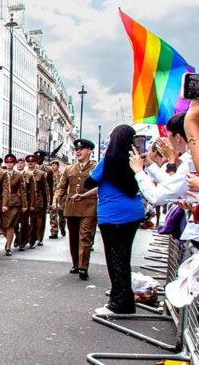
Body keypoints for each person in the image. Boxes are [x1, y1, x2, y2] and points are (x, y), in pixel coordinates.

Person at [84, 124, 145, 315]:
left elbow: (88, 182)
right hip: (133, 213)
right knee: (124, 258)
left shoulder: (108, 160)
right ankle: (123, 296)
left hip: (112, 215)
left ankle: (120, 303)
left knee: (115, 259)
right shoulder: (135, 160)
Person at [53, 139, 97, 280]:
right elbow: (61, 187)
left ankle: (83, 267)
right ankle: (76, 264)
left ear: (89, 151)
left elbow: (101, 186)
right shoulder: (69, 169)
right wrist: (56, 199)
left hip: (89, 207)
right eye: (76, 149)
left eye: (82, 149)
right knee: (73, 238)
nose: (78, 151)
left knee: (85, 237)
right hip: (72, 207)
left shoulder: (96, 168)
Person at [130, 113, 191, 204]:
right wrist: (150, 164)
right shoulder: (189, 160)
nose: (167, 141)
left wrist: (139, 171)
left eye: (169, 137)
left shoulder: (190, 163)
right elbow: (172, 184)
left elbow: (157, 197)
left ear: (177, 137)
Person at [1, 154, 27, 256]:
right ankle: (10, 239)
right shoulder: (2, 173)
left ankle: (8, 247)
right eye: (7, 162)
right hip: (3, 202)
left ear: (14, 164)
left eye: (11, 162)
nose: (9, 164)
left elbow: (23, 191)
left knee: (10, 225)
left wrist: (24, 205)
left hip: (14, 202)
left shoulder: (18, 175)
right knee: (2, 227)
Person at [25, 155, 48, 248]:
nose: (30, 163)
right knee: (31, 221)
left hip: (39, 199)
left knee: (40, 221)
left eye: (32, 162)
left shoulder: (41, 174)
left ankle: (39, 238)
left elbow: (44, 189)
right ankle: (30, 238)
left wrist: (47, 202)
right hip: (28, 199)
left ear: (35, 163)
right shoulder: (24, 173)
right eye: (29, 162)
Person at [48, 160, 67, 239]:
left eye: (55, 165)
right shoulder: (49, 175)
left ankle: (62, 227)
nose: (53, 167)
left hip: (61, 198)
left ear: (58, 166)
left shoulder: (61, 175)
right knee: (53, 215)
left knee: (61, 215)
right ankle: (54, 232)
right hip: (52, 197)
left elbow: (63, 186)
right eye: (52, 165)